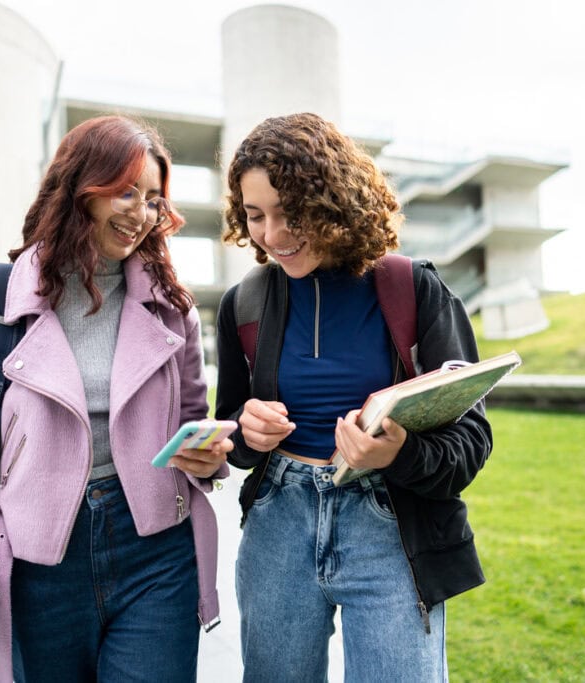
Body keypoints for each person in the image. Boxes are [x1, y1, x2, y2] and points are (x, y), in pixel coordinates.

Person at [0, 115, 230, 682]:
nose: (141, 212)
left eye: (153, 198)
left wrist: (207, 457)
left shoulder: (171, 305)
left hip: (156, 552)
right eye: (125, 191)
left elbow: (189, 421)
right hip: (39, 563)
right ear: (79, 187)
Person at [214, 112, 493, 682]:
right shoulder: (242, 303)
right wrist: (245, 430)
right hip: (278, 525)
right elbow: (231, 436)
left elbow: (472, 439)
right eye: (255, 216)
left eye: (290, 213)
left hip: (390, 527)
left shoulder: (415, 289)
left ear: (333, 200)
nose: (271, 235)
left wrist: (399, 455)